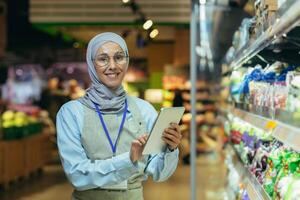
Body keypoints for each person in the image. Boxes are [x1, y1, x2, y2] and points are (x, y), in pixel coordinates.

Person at [56, 32, 182, 200]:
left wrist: (170, 150)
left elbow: (158, 172)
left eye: (119, 57)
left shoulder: (144, 110)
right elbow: (77, 175)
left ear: (127, 61)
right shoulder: (71, 113)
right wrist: (128, 160)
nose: (113, 66)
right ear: (91, 64)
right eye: (103, 59)